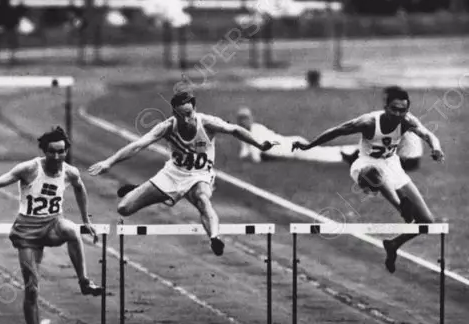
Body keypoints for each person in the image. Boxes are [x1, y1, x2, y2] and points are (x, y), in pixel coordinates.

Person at [88, 91, 277, 256]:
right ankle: (142, 190)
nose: (185, 120)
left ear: (194, 110)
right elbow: (138, 145)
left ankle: (214, 238)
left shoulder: (207, 123)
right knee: (124, 208)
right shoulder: (167, 127)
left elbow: (235, 129)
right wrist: (109, 162)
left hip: (199, 176)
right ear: (174, 114)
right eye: (180, 116)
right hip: (173, 174)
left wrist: (259, 144)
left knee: (203, 199)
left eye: (188, 114)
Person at [0, 126, 104, 324]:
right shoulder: (29, 168)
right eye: (52, 152)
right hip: (27, 231)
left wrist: (87, 220)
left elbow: (80, 189)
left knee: (73, 230)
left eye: (61, 152)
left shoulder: (69, 172)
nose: (57, 157)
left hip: (53, 225)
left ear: (66, 151)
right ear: (44, 151)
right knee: (32, 288)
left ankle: (84, 281)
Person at [292, 87, 444, 273]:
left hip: (392, 166)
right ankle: (401, 207)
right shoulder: (368, 122)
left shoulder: (406, 121)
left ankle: (394, 244)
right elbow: (337, 131)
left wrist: (436, 148)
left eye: (402, 110)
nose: (397, 114)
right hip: (365, 166)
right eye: (394, 109)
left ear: (406, 110)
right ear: (385, 107)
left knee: (426, 222)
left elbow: (428, 135)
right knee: (374, 172)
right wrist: (309, 145)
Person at [339, 86, 424, 172]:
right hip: (414, 161)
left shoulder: (395, 117)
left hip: (404, 161)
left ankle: (354, 159)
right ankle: (355, 158)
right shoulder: (403, 114)